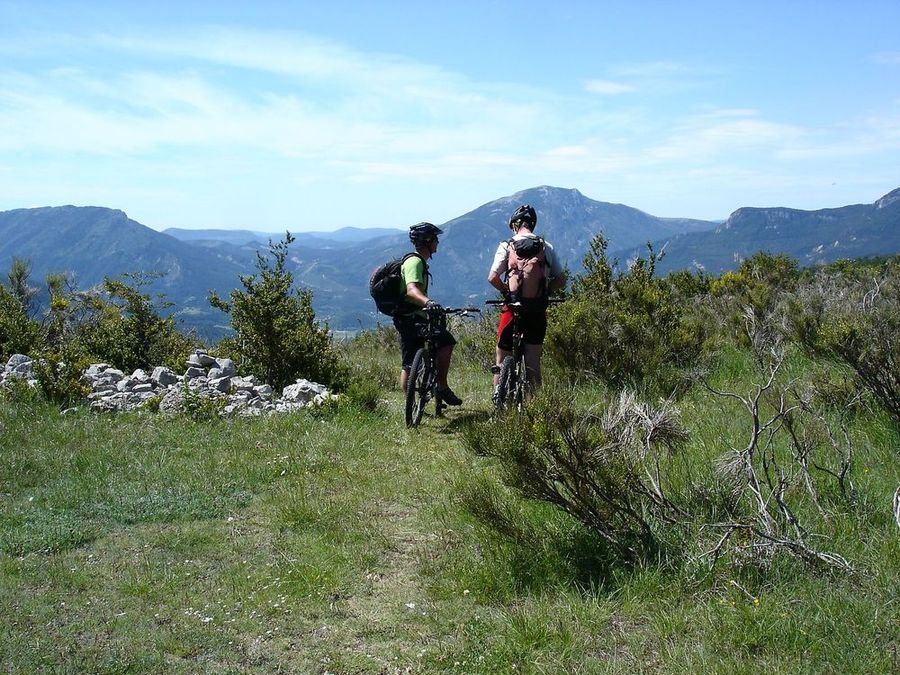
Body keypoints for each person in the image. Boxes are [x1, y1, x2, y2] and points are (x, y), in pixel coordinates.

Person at [487, 204, 566, 397]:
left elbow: (493, 277)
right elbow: (561, 279)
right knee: (532, 361)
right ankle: (534, 407)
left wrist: (506, 290)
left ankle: (498, 396)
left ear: (515, 225)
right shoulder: (546, 247)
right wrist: (545, 290)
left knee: (502, 356)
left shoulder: (507, 245)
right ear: (532, 224)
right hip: (537, 310)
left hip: (513, 308)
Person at [393, 222, 463, 406]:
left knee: (408, 362)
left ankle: (411, 405)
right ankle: (441, 386)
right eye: (435, 239)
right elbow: (411, 290)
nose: (438, 242)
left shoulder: (414, 261)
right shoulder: (415, 262)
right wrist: (429, 302)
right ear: (428, 241)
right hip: (414, 317)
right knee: (446, 341)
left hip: (405, 317)